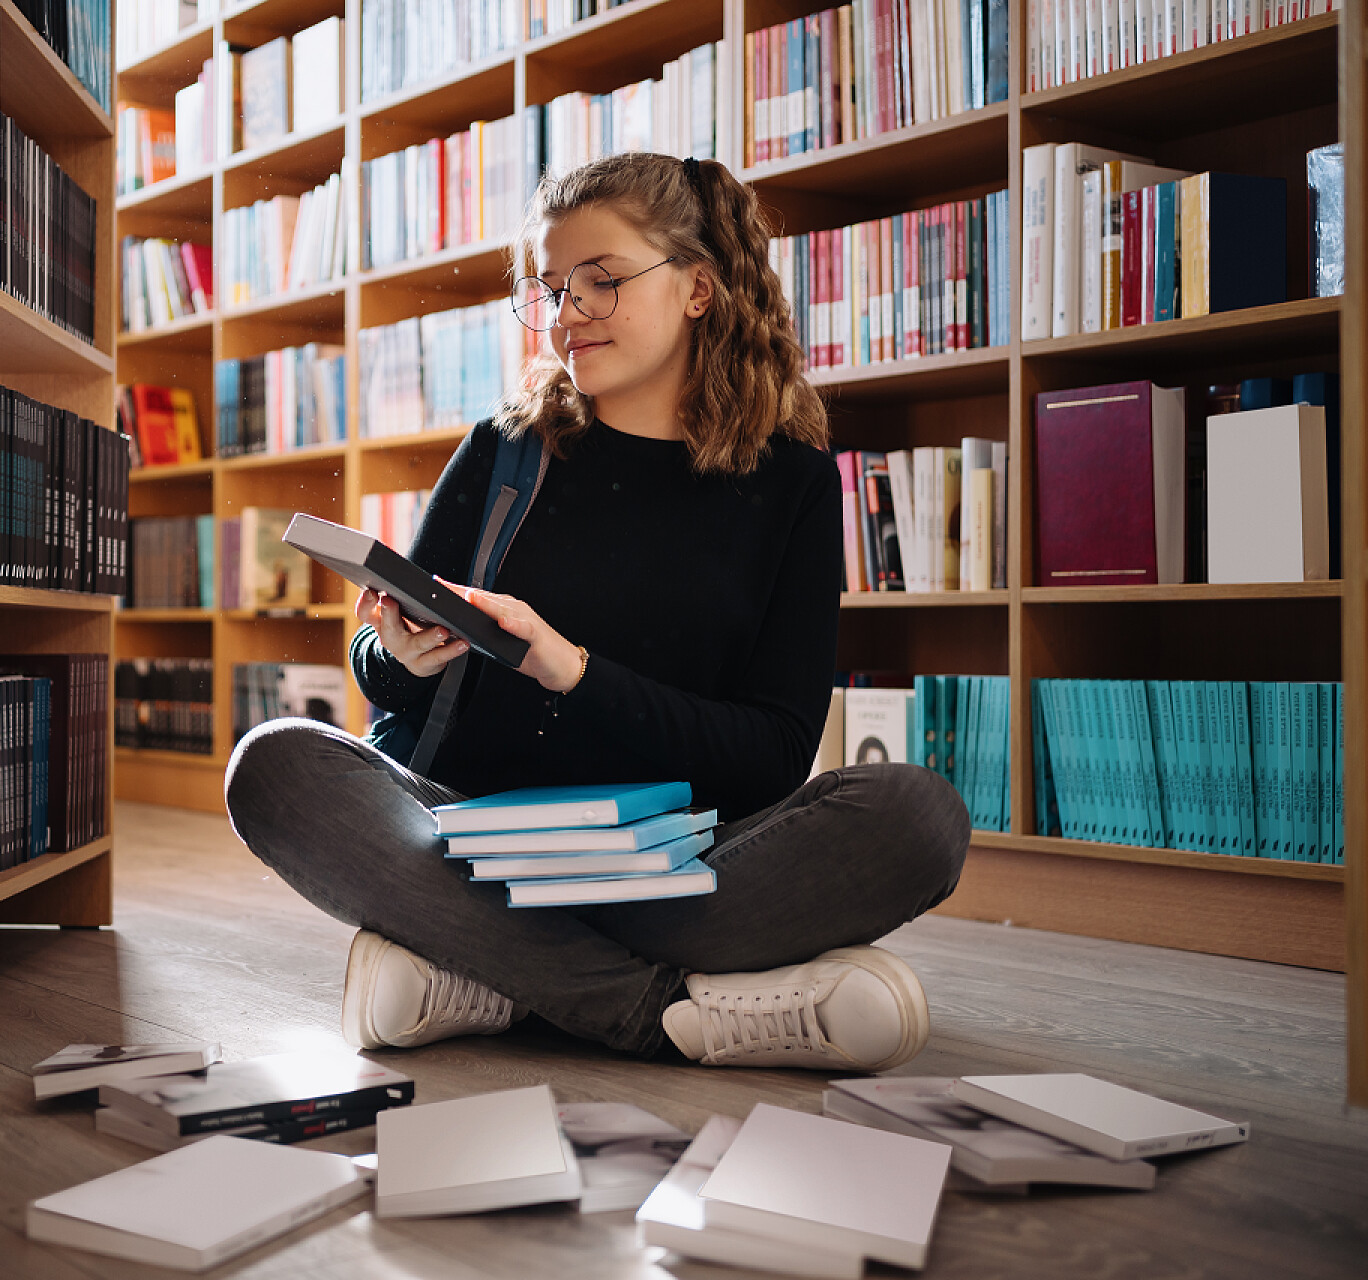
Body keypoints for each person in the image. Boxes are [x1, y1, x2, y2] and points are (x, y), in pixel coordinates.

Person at [224, 152, 970, 1072]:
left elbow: (775, 751)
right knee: (276, 765)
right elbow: (390, 672)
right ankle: (659, 1010)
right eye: (550, 289)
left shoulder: (797, 488)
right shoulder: (505, 452)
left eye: (602, 282)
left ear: (700, 287)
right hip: (472, 836)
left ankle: (488, 973)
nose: (567, 314)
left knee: (919, 814)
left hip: (679, 857)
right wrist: (398, 659)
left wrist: (572, 672)